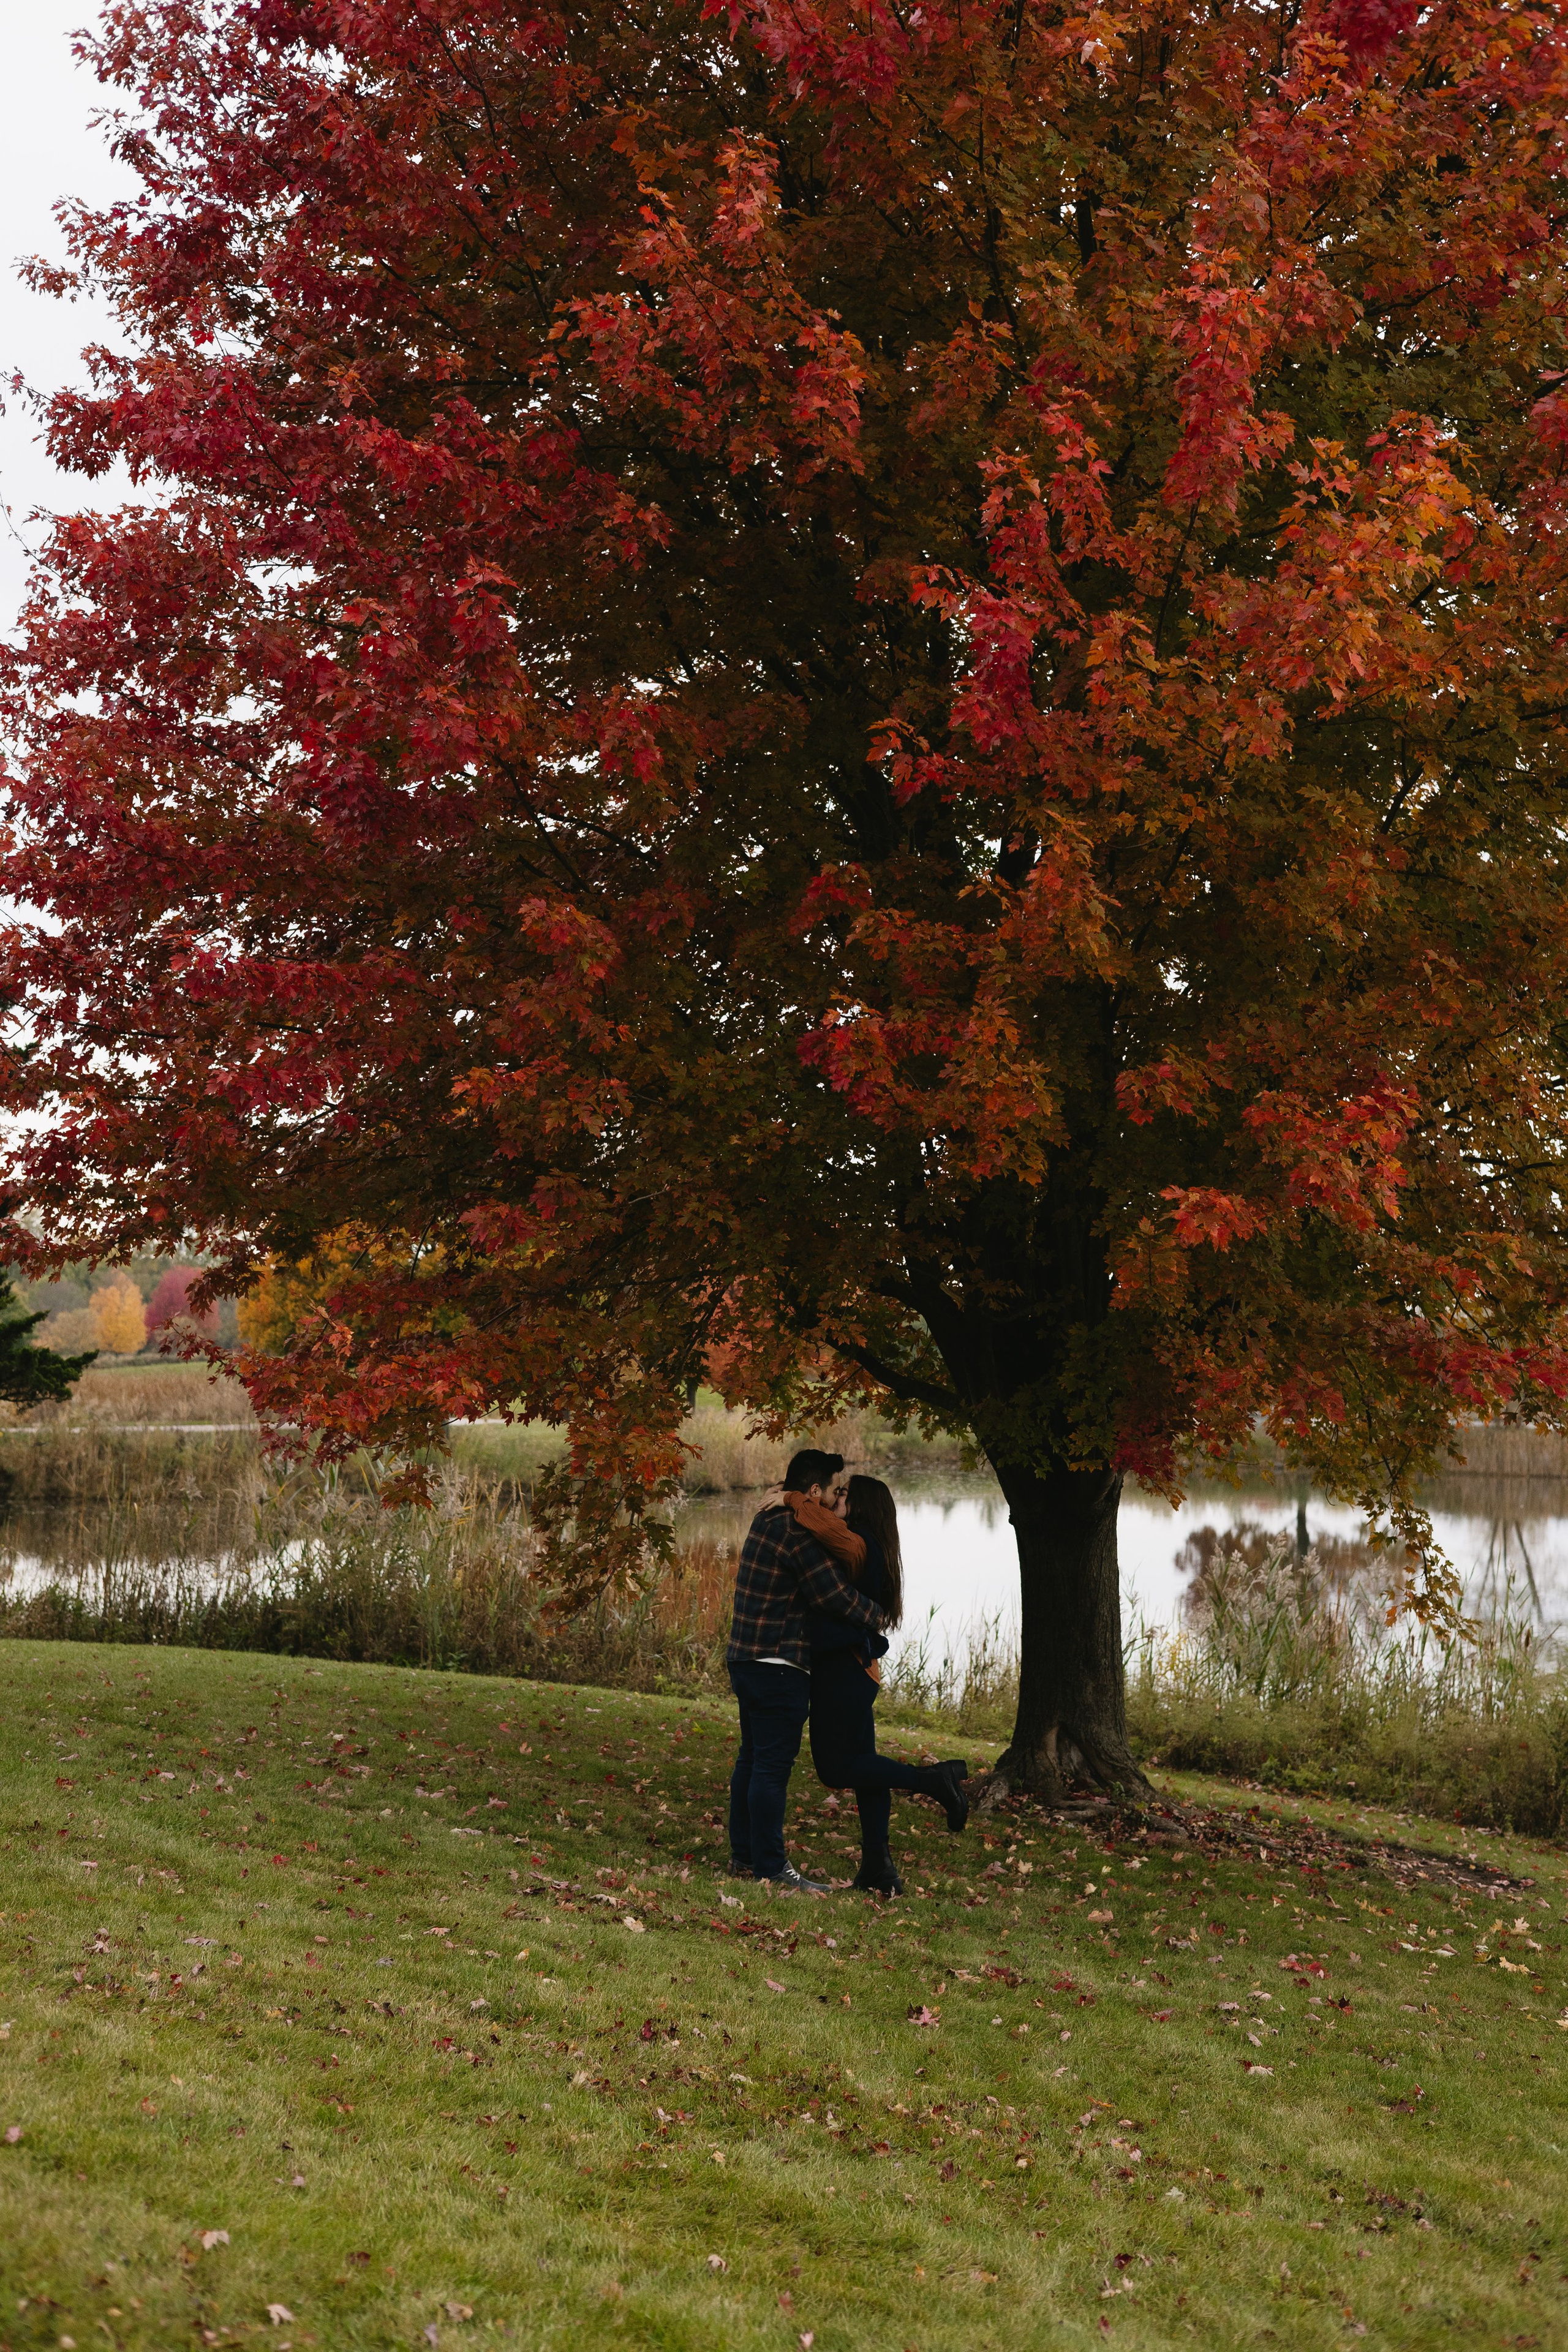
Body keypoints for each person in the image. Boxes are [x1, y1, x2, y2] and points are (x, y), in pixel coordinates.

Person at [790, 1474, 970, 1895]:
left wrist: (793, 1497)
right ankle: (879, 1868)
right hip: (855, 1667)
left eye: (845, 1494)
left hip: (844, 1668)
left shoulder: (858, 1541)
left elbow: (824, 1526)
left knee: (835, 1768)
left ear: (865, 1505)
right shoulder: (872, 1544)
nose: (837, 1498)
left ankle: (933, 1781)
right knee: (865, 1768)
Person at [726, 1447, 885, 1893]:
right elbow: (831, 1595)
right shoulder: (797, 1531)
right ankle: (772, 1868)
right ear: (813, 1491)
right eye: (833, 1492)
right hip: (778, 1664)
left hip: (745, 1657)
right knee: (771, 1768)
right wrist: (879, 1615)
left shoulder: (766, 1516)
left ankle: (744, 1856)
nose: (836, 1500)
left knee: (752, 1759)